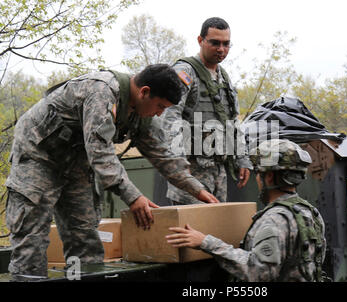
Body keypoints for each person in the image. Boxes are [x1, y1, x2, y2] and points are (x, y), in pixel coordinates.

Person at [5, 64, 219, 281]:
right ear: (144, 92)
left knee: (85, 236)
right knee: (31, 240)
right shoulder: (101, 92)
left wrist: (197, 189)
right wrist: (133, 197)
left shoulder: (143, 113)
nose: (160, 113)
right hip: (38, 157)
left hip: (77, 162)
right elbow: (100, 152)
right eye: (160, 106)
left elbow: (162, 154)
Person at [166, 139, 327, 282]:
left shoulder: (273, 220)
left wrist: (205, 242)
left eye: (258, 173)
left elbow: (258, 272)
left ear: (269, 177)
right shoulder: (310, 212)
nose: (257, 179)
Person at [160, 17, 251, 205]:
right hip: (190, 172)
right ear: (200, 41)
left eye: (226, 44)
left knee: (215, 230)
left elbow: (232, 121)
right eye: (215, 43)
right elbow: (170, 118)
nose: (221, 49)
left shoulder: (223, 77)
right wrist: (177, 166)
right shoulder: (185, 72)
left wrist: (242, 158)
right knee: (190, 230)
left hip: (218, 171)